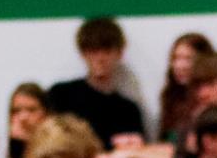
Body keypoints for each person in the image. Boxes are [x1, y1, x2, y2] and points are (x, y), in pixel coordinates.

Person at [45, 17, 147, 150]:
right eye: (93, 50)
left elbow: (135, 153)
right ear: (83, 53)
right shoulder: (62, 95)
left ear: (119, 53)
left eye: (107, 50)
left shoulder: (129, 110)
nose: (100, 58)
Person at [157, 32, 215, 148]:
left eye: (188, 59)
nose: (180, 66)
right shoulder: (171, 98)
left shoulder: (210, 101)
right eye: (176, 58)